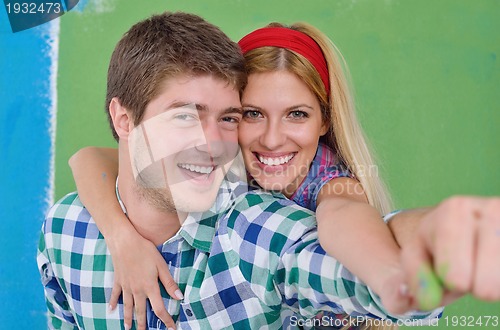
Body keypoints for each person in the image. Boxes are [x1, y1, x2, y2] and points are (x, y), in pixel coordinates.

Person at [37, 11, 443, 330]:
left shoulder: (299, 208)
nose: (270, 139)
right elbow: (95, 159)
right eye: (248, 115)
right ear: (125, 121)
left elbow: (349, 232)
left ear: (325, 122)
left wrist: (426, 255)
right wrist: (120, 236)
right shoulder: (65, 232)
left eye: (226, 118)